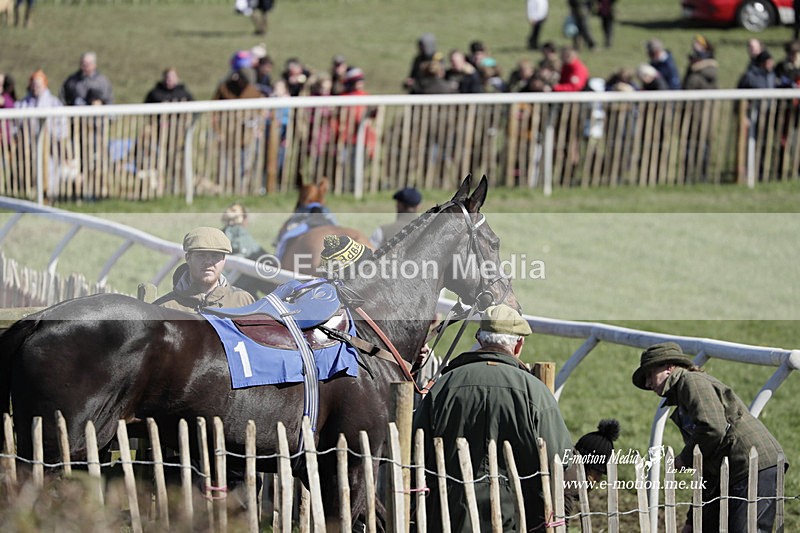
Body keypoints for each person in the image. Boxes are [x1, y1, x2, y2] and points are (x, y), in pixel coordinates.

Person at [413, 303, 574, 532]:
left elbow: (415, 452)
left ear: (480, 338)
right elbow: (560, 460)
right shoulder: (536, 393)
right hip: (518, 522)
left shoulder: (444, 387)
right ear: (518, 344)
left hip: (450, 520)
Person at [632, 342, 786, 533]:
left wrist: (684, 458)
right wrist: (691, 521)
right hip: (738, 468)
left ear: (669, 367)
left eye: (649, 374)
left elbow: (713, 428)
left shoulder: (691, 381)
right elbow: (706, 466)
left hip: (753, 465)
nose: (647, 383)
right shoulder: (683, 396)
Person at [153, 227, 255, 312]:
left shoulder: (243, 302)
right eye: (201, 255)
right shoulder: (165, 308)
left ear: (224, 260)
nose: (208, 262)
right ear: (188, 258)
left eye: (215, 256)